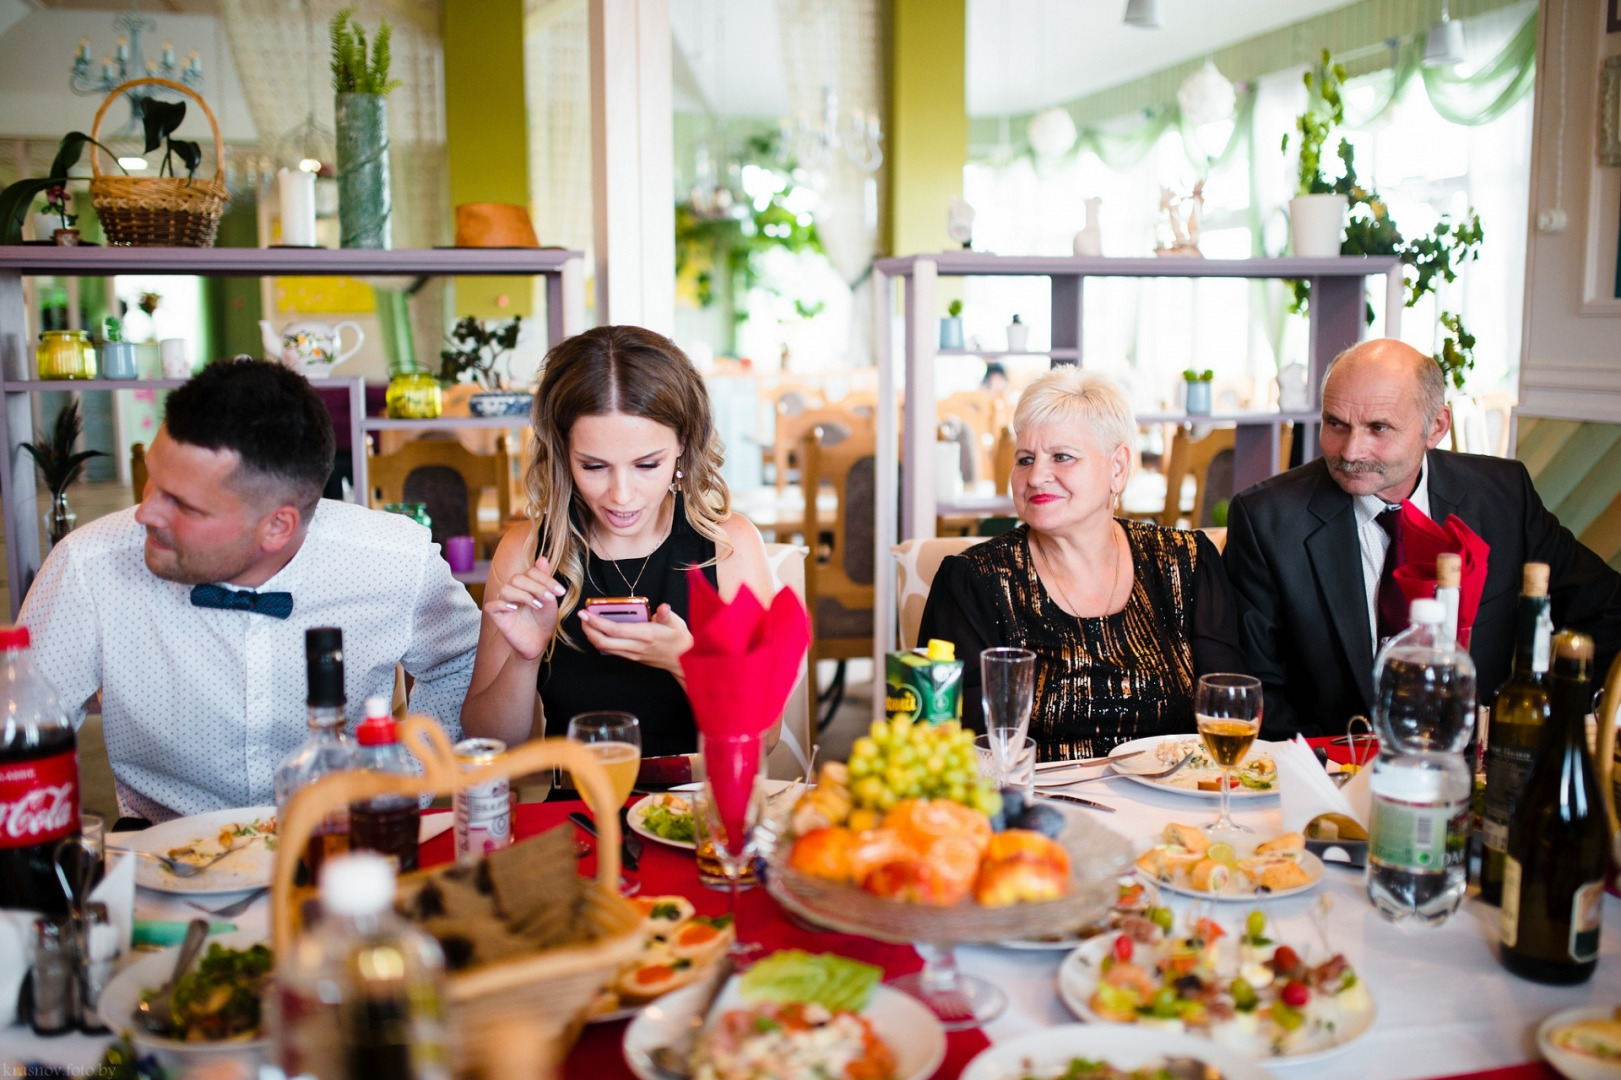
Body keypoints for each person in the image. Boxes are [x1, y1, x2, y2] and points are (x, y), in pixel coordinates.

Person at [18, 359, 482, 823]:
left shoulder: (394, 558)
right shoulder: (88, 565)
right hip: (161, 854)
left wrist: (400, 781)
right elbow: (18, 733)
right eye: (152, 480)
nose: (145, 514)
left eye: (181, 503)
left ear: (277, 526)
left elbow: (463, 661)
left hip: (342, 840)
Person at [1224, 338, 1621, 738]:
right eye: (1335, 423)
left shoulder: (1503, 496)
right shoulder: (1266, 520)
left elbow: (1607, 609)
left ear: (1436, 427)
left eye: (1378, 428)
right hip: (1334, 771)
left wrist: (1538, 717)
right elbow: (1254, 688)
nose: (1351, 449)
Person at [460, 325, 776, 757]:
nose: (621, 495)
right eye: (594, 466)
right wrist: (524, 659)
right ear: (562, 452)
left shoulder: (728, 546)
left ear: (683, 443)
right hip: (575, 811)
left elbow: (763, 740)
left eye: (647, 464)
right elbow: (491, 744)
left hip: (694, 813)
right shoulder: (527, 552)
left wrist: (688, 665)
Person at [916, 367, 1248, 760]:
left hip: (1174, 802)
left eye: (1062, 457)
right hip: (1033, 810)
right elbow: (952, 747)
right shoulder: (975, 582)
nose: (1037, 476)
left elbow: (1227, 710)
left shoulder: (1186, 564)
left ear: (1117, 468)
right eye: (1024, 459)